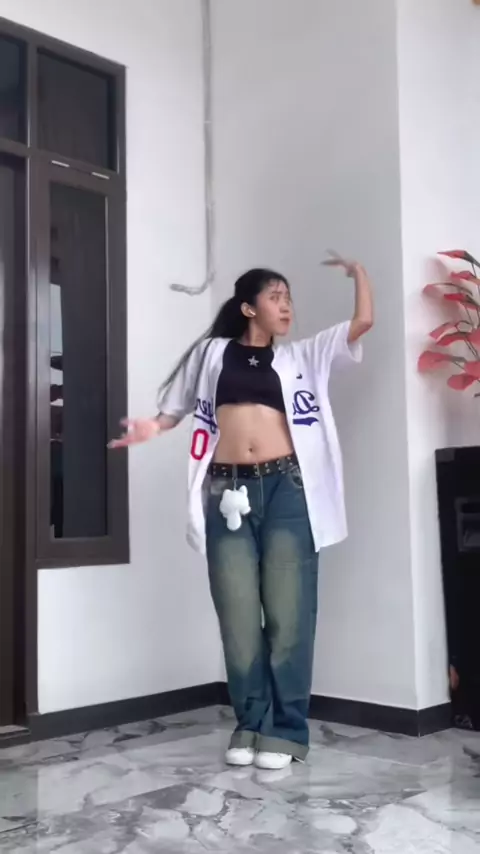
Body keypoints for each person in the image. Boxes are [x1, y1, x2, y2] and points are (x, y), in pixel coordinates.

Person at [110, 253, 373, 771]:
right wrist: (152, 428)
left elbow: (362, 322)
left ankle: (287, 730)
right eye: (276, 297)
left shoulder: (303, 355)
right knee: (237, 614)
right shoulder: (211, 353)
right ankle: (250, 722)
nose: (287, 306)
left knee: (289, 614)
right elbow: (175, 409)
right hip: (225, 490)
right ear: (249, 308)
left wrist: (358, 273)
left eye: (289, 298)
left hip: (287, 489)